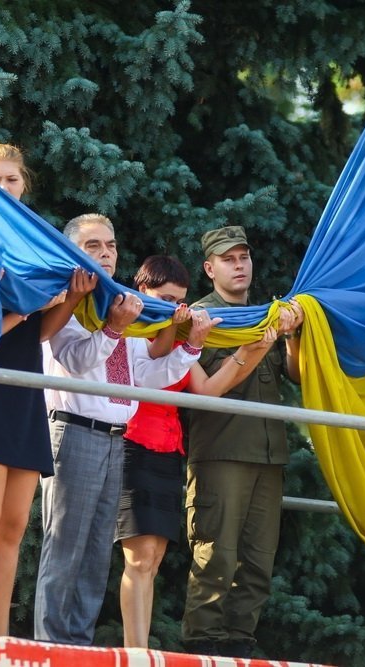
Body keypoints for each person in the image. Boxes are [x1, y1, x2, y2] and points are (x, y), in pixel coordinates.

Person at [34, 214, 212, 645]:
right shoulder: (68, 298)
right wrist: (114, 327)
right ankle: (53, 646)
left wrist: (192, 344)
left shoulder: (121, 300)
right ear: (74, 250)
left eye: (110, 245)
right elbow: (74, 361)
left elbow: (146, 378)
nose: (105, 253)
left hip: (117, 437)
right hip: (74, 431)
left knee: (96, 554)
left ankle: (79, 643)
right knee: (65, 547)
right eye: (93, 245)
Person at [0, 143, 90, 634]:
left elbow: (44, 331)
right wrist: (25, 308)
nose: (4, 188)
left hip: (25, 389)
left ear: (24, 185)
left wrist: (70, 298)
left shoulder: (38, 243)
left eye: (11, 179)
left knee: (12, 527)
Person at [117, 254, 280, 648]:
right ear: (143, 292)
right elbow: (153, 380)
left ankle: (138, 650)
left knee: (151, 559)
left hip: (168, 446)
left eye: (180, 302)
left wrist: (255, 347)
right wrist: (192, 343)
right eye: (165, 299)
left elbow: (206, 389)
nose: (174, 309)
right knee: (139, 560)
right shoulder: (131, 326)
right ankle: (135, 653)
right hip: (132, 442)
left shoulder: (182, 327)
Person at [181, 225, 303, 658]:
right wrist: (253, 344)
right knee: (214, 556)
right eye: (228, 259)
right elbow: (205, 389)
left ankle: (240, 646)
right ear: (209, 268)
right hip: (221, 452)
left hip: (267, 454)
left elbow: (297, 375)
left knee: (257, 563)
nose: (239, 265)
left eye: (244, 257)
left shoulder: (265, 315)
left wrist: (289, 337)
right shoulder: (201, 318)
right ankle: (204, 646)